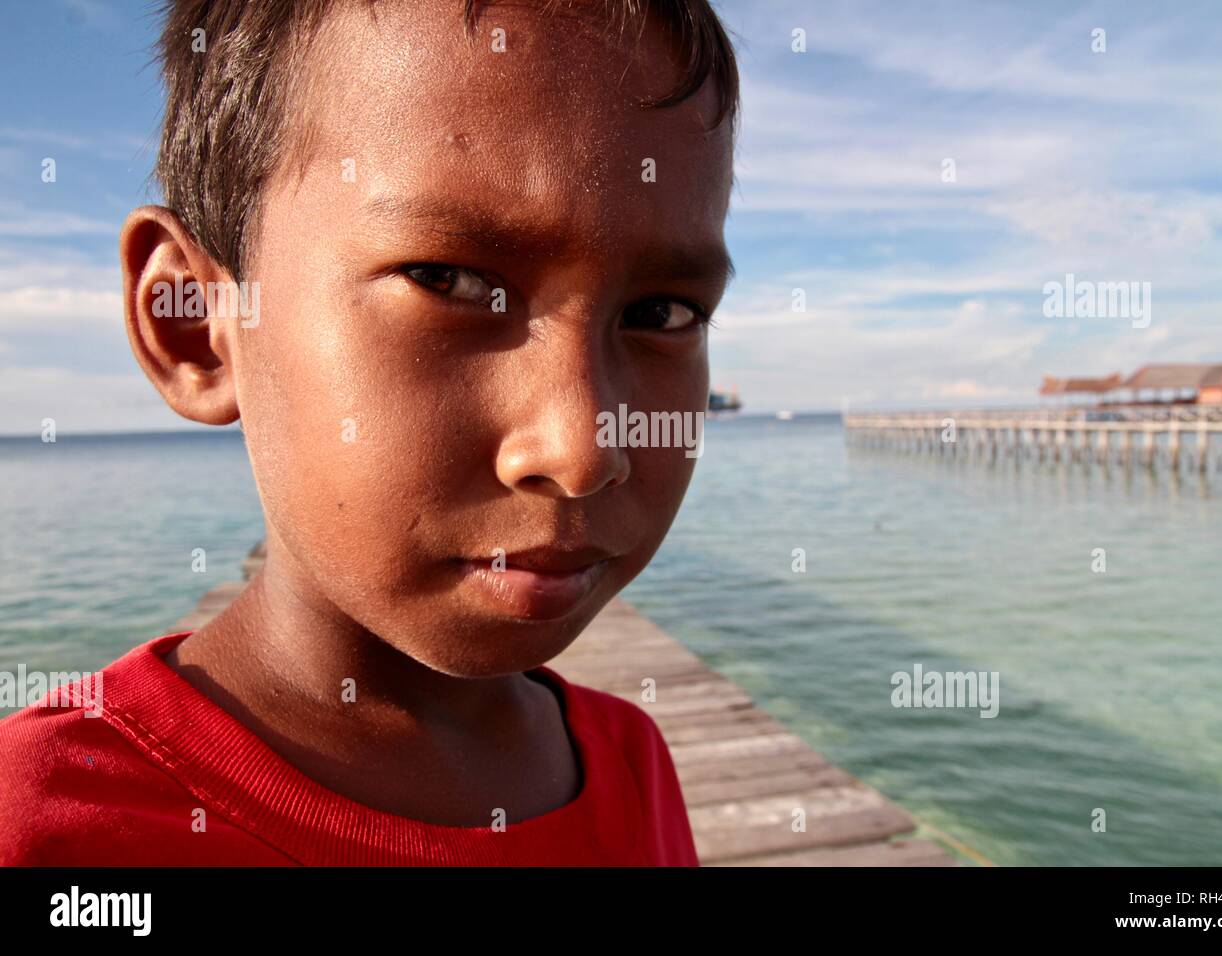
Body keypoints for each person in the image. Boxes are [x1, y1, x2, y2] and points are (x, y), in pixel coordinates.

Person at [0, 0, 739, 866]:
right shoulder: (51, 829)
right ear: (196, 324)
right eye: (448, 279)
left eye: (664, 311)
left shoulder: (631, 759)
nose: (581, 452)